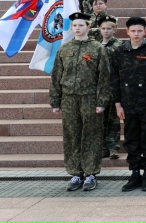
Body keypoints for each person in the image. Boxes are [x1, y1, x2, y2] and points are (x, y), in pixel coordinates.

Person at [50, 12, 110, 192]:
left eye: (81, 25)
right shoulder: (64, 48)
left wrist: (101, 101)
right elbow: (56, 75)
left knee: (91, 135)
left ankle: (91, 173)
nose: (77, 28)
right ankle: (76, 173)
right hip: (69, 98)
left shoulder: (97, 48)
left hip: (90, 98)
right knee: (71, 135)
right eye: (75, 25)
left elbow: (104, 77)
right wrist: (55, 101)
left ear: (88, 27)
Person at [111, 17, 146, 192]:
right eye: (133, 31)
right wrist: (118, 105)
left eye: (139, 31)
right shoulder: (119, 52)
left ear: (145, 32)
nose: (136, 34)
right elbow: (114, 80)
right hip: (127, 105)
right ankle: (134, 174)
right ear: (127, 32)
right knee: (131, 140)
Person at [96, 14, 121, 159]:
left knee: (113, 119)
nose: (106, 31)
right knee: (100, 119)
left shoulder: (119, 46)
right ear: (99, 29)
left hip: (113, 86)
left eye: (109, 28)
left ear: (114, 30)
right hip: (99, 87)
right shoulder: (96, 45)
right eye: (103, 28)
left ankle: (113, 147)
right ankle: (103, 147)